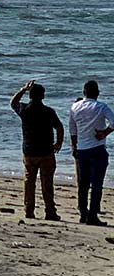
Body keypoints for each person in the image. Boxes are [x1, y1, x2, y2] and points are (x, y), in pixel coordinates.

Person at [10, 80, 64, 221]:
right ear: (43, 96)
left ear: (30, 96)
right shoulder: (49, 111)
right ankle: (50, 211)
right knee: (47, 182)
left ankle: (29, 210)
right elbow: (59, 127)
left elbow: (12, 103)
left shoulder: (25, 109)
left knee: (29, 181)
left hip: (29, 151)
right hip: (46, 151)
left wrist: (23, 89)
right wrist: (58, 143)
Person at [69, 79, 114, 226]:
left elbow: (73, 130)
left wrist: (75, 147)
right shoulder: (101, 107)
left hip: (82, 149)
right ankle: (93, 215)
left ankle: (83, 213)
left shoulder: (75, 107)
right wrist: (104, 133)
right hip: (97, 148)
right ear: (98, 93)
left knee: (83, 183)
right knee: (97, 183)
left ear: (84, 92)